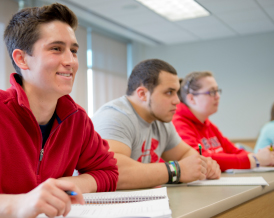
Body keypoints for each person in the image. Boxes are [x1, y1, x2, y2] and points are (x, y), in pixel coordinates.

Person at [0, 3, 118, 218]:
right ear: (21, 59)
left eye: (73, 51)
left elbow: (108, 172)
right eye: (56, 49)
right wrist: (18, 205)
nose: (71, 61)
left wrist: (65, 186)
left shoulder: (77, 119)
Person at [92, 59, 221, 190]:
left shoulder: (161, 120)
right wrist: (176, 170)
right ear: (142, 94)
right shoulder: (115, 117)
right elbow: (113, 171)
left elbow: (186, 154)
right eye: (169, 92)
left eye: (176, 92)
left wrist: (203, 166)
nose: (177, 100)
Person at [172, 71, 274, 171]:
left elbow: (233, 151)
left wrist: (262, 157)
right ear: (191, 99)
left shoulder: (207, 124)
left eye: (217, 91)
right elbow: (199, 159)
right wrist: (255, 160)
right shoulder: (178, 124)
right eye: (212, 92)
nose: (218, 96)